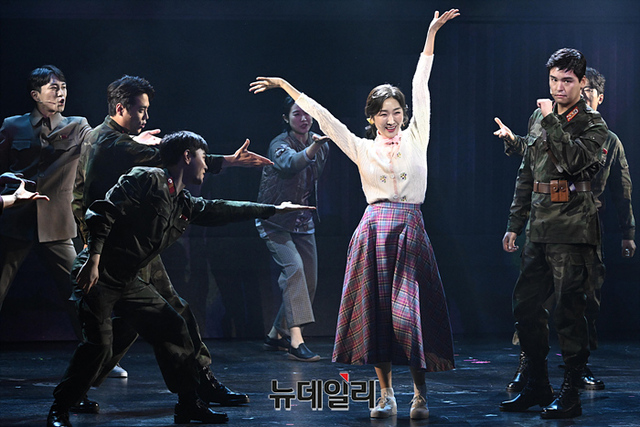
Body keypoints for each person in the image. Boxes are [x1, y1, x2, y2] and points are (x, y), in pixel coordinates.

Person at [250, 9, 458, 420]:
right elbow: (324, 116)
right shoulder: (361, 147)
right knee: (378, 316)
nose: (391, 119)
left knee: (408, 315)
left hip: (409, 230)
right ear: (372, 118)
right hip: (374, 232)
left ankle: (419, 394)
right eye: (383, 113)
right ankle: (386, 394)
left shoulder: (417, 135)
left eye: (396, 112)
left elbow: (421, 84)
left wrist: (431, 35)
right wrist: (286, 86)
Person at [46, 130, 314, 427]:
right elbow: (102, 211)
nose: (205, 165)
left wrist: (274, 209)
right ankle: (60, 407)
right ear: (187, 156)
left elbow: (219, 208)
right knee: (98, 347)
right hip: (99, 275)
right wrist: (94, 259)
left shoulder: (182, 201)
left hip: (130, 280)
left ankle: (189, 404)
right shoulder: (147, 178)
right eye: (203, 157)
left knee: (174, 325)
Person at [73, 75, 271, 405]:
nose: (145, 117)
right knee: (169, 313)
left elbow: (83, 194)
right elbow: (91, 195)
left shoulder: (112, 138)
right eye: (140, 110)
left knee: (142, 321)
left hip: (133, 246)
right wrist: (228, 161)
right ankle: (198, 384)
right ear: (120, 108)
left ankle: (198, 381)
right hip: (118, 249)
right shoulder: (108, 141)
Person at [496, 67, 635, 393]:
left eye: (588, 94)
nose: (580, 98)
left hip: (582, 226)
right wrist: (513, 142)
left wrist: (628, 232)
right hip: (545, 222)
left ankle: (578, 369)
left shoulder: (606, 139)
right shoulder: (547, 124)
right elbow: (530, 165)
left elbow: (622, 190)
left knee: (583, 302)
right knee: (533, 301)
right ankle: (529, 366)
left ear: (599, 98)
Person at [0, 65, 91, 336]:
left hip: (57, 224)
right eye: (54, 88)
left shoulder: (77, 125)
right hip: (16, 221)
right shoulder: (12, 125)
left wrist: (131, 138)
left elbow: (101, 141)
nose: (61, 93)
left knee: (78, 293)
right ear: (35, 94)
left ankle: (96, 352)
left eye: (63, 88)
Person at [256, 96, 330, 361]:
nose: (303, 118)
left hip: (302, 220)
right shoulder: (279, 144)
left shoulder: (321, 145)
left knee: (308, 281)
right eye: (297, 114)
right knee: (294, 270)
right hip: (275, 220)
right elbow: (291, 164)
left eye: (307, 113)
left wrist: (316, 146)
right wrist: (312, 148)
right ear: (286, 119)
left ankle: (275, 334)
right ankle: (295, 341)